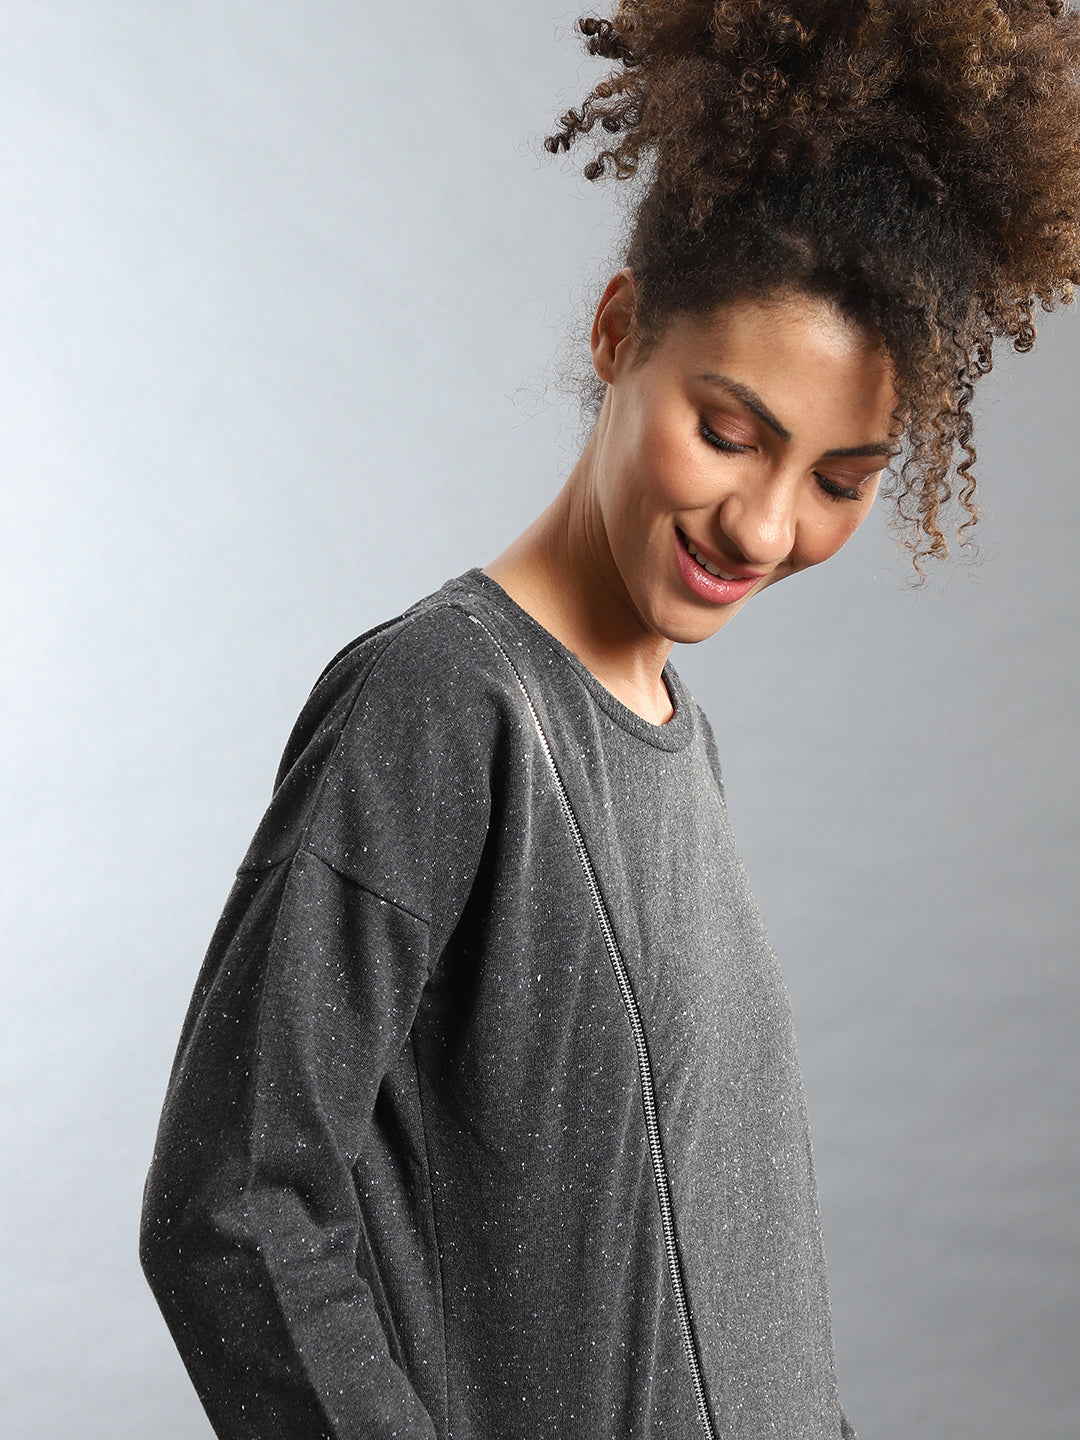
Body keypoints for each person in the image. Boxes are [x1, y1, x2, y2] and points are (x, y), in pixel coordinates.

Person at [140, 4, 1080, 1438]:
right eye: (730, 432)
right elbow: (232, 1205)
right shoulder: (446, 702)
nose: (764, 526)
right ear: (619, 328)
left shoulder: (674, 736)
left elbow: (733, 1287)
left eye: (842, 479)